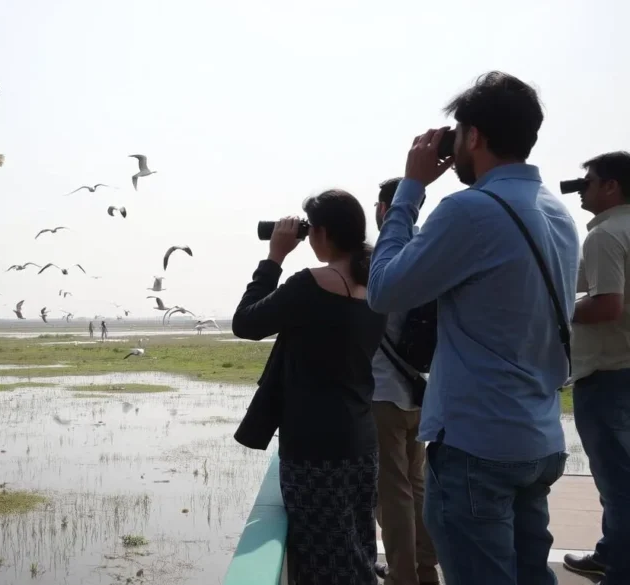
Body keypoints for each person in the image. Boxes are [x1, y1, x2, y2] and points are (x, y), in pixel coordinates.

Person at [367, 71, 579, 585]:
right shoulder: (558, 212)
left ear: (474, 137)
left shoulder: (469, 211)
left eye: (457, 134)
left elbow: (384, 290)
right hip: (538, 438)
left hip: (477, 446)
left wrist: (411, 189)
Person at [232, 190, 387, 585]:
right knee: (357, 550)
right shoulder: (376, 285)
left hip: (314, 450)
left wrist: (275, 257)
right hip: (361, 442)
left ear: (318, 232)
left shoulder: (311, 285)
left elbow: (246, 324)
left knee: (321, 561)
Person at [563, 150, 630, 585]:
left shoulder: (604, 235)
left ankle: (619, 572)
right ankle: (609, 552)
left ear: (610, 186)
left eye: (587, 181)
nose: (580, 189)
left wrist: (560, 308)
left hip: (607, 375)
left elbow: (607, 306)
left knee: (617, 484)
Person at [370, 177, 439, 585]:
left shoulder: (383, 254)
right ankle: (425, 572)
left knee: (392, 492)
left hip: (383, 393)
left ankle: (402, 576)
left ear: (386, 208)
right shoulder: (430, 251)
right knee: (417, 487)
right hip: (420, 391)